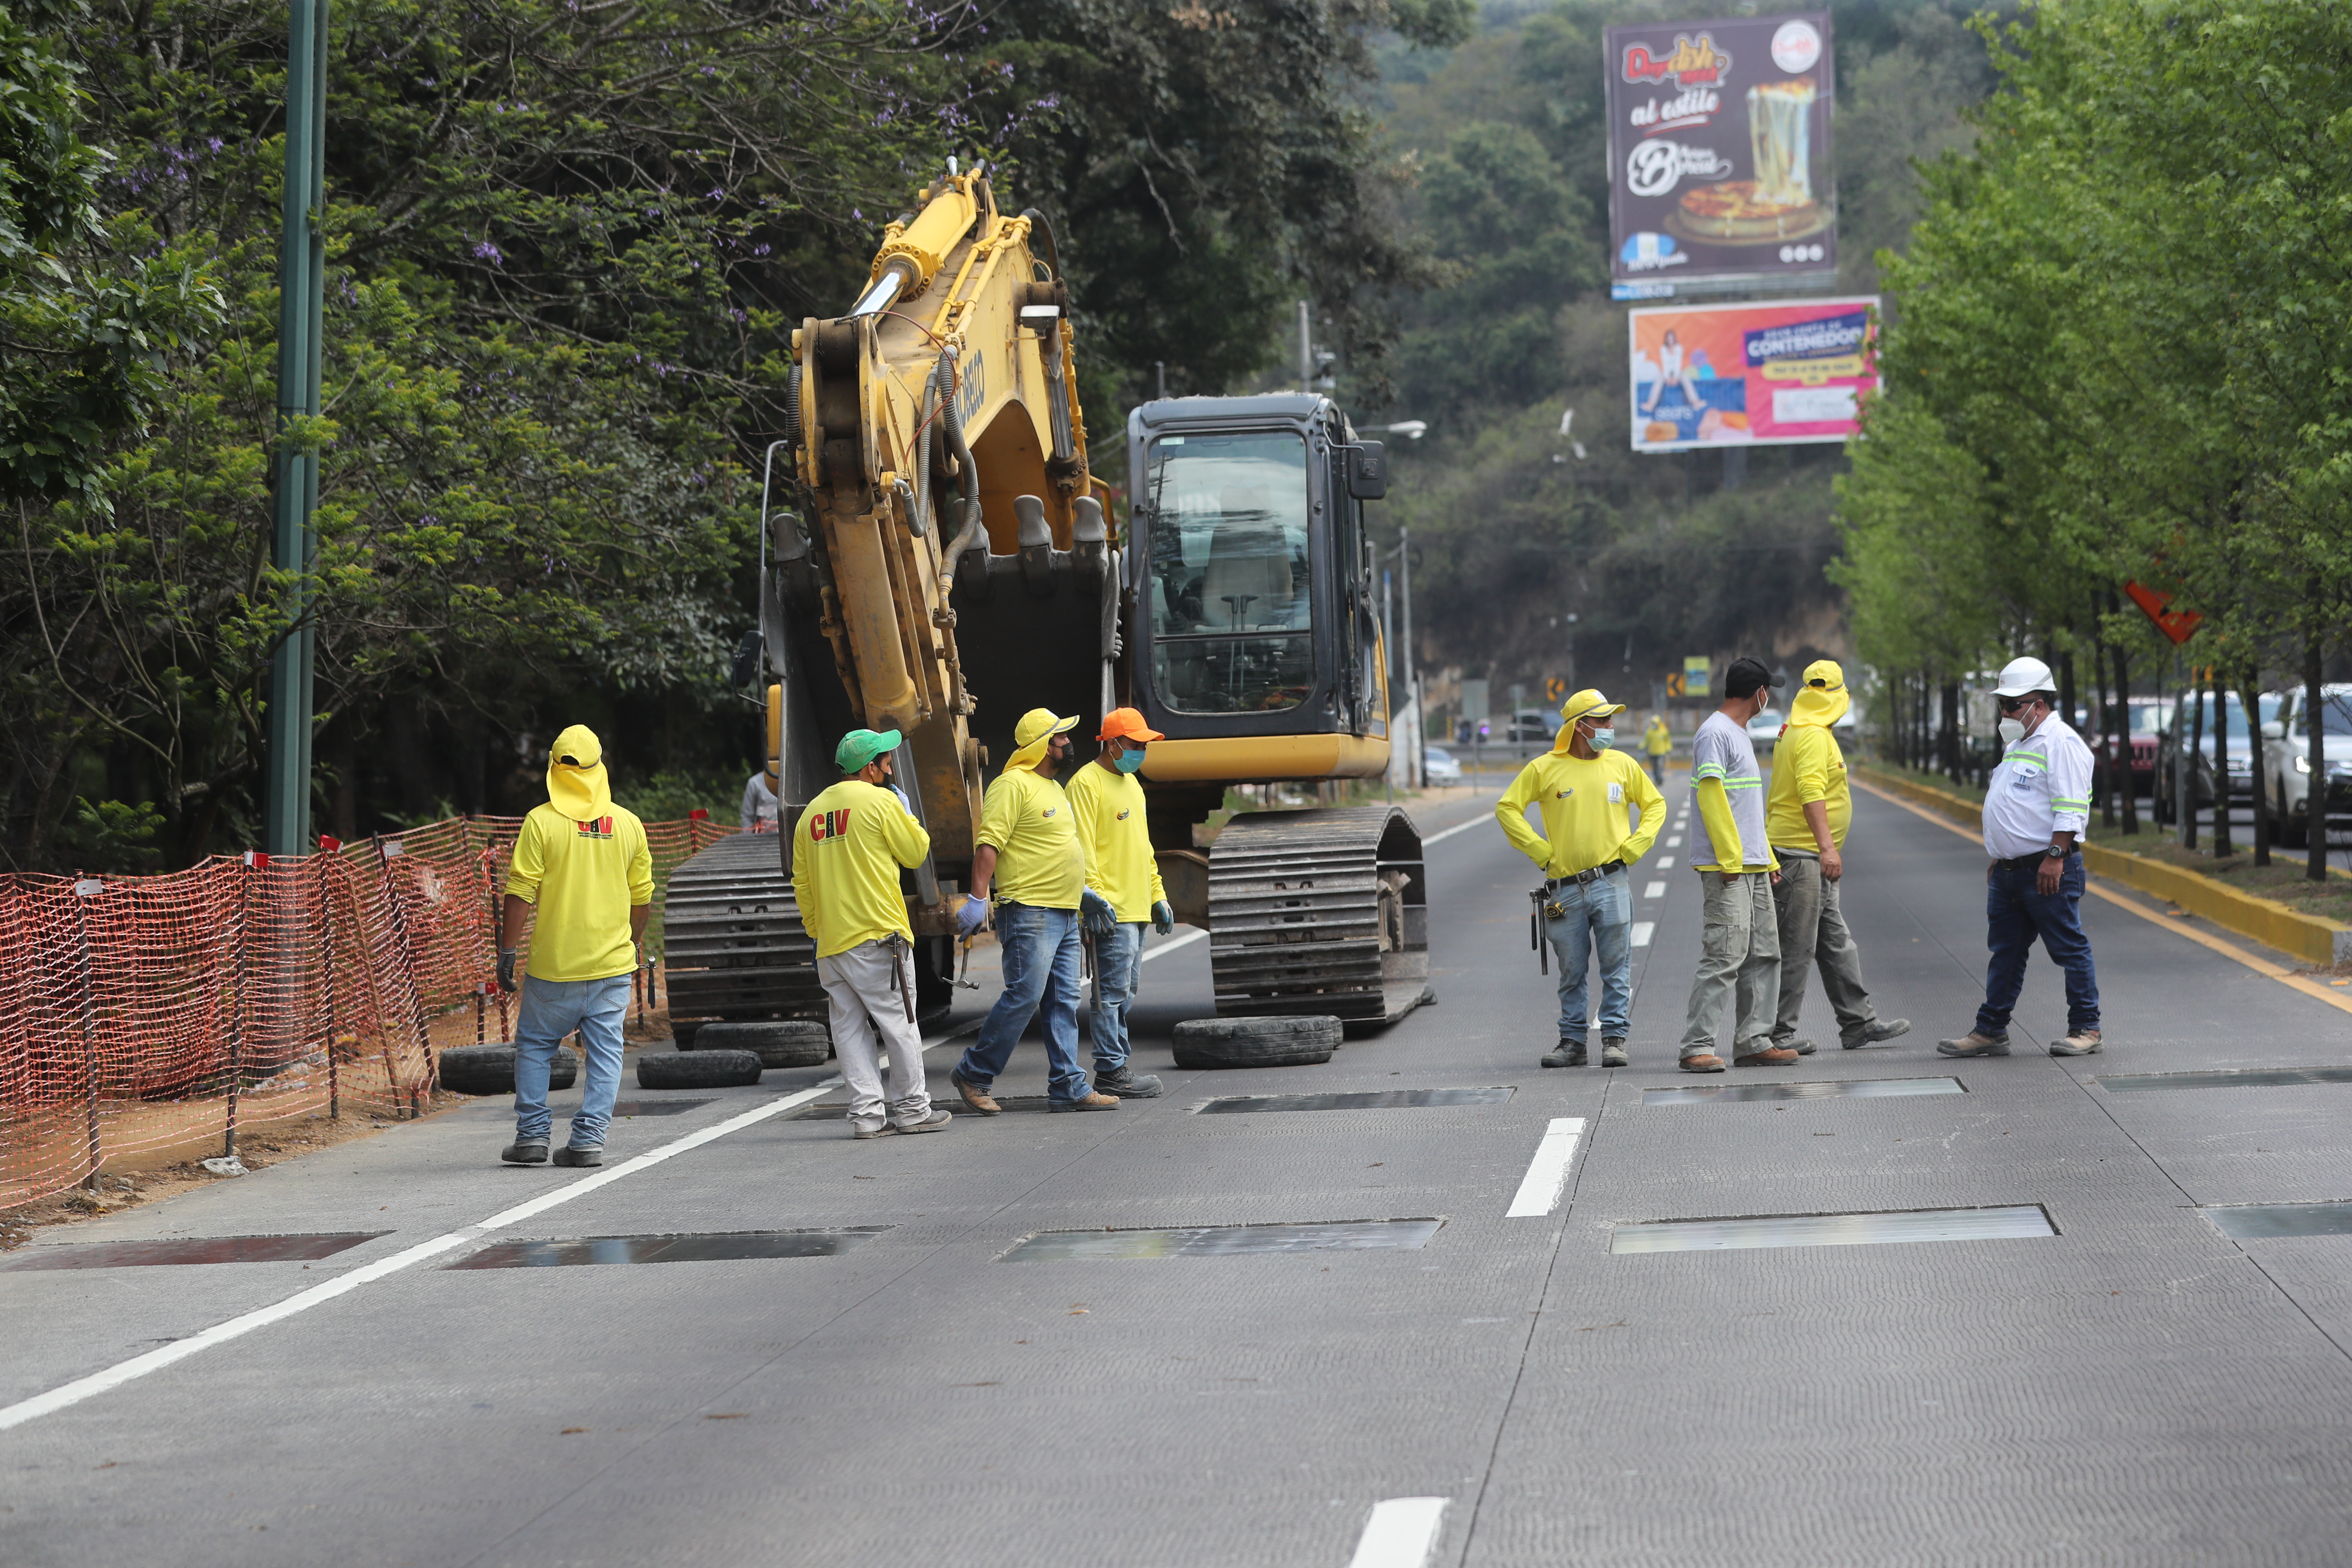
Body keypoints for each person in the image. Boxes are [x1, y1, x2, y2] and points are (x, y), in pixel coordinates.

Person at [948, 708, 1122, 1114]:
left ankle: (1068, 1085)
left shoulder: (1054, 789)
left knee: (1062, 1000)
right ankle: (974, 1073)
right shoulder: (1012, 785)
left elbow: (1053, 851)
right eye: (1061, 737)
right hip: (1029, 911)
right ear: (1044, 745)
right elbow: (988, 845)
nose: (1068, 743)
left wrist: (1081, 893)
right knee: (1025, 995)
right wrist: (978, 900)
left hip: (1063, 911)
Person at [496, 725, 652, 1167]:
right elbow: (642, 899)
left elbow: (520, 891)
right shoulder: (627, 824)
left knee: (534, 1047)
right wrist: (631, 949)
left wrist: (507, 953)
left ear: (554, 769)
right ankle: (588, 1141)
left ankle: (531, 1137)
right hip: (611, 968)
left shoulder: (541, 822)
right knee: (606, 1054)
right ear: (598, 768)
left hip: (554, 968)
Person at [1939, 656, 2103, 1058]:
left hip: (2046, 869)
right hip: (2010, 872)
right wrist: (2002, 854)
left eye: (2014, 704)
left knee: (2069, 947)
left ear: (2040, 704)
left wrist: (2054, 856)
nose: (2007, 712)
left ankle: (2086, 1027)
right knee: (2006, 952)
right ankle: (1991, 1031)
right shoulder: (2019, 744)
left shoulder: (2060, 742)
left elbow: (2070, 806)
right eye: (2003, 705)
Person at [791, 729, 952, 1139]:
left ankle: (866, 1116)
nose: (891, 766)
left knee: (848, 1030)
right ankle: (914, 1110)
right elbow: (916, 853)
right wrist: (907, 812)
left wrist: (818, 931)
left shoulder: (810, 814)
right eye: (886, 760)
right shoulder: (882, 802)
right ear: (870, 768)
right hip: (880, 937)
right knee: (898, 1023)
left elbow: (803, 883)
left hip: (832, 943)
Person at [1495, 689, 1666, 1069]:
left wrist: (1636, 846)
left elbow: (1655, 804)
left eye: (1610, 719)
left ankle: (1614, 1039)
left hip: (1612, 881)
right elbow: (1507, 808)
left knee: (1616, 966)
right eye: (1602, 720)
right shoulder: (1544, 768)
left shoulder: (1623, 765)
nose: (1610, 727)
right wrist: (1540, 851)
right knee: (1571, 971)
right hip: (1564, 889)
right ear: (1579, 726)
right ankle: (1573, 1042)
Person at [1764, 661, 1910, 1055]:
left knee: (1835, 942)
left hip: (1803, 853)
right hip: (1801, 856)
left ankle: (1858, 1023)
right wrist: (1828, 848)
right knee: (1797, 946)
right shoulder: (1811, 735)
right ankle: (1778, 1034)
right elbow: (1811, 791)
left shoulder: (1798, 728)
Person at [1679, 658, 1792, 1073]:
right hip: (1728, 867)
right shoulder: (1714, 734)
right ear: (1759, 693)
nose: (1769, 698)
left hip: (1754, 865)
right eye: (1769, 692)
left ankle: (1753, 1040)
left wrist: (1767, 858)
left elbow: (1745, 807)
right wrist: (1729, 858)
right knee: (1724, 955)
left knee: (1764, 953)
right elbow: (1712, 798)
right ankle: (1696, 1046)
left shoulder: (1739, 735)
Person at [1065, 707, 1178, 1099]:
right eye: (1135, 745)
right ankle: (1112, 1070)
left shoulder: (1133, 785)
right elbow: (1081, 847)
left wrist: (1158, 895)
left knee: (1124, 994)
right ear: (1112, 744)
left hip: (1137, 908)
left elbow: (1144, 848)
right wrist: (1092, 900)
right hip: (1110, 911)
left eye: (1144, 745)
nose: (1141, 751)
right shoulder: (1086, 784)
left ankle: (1116, 1065)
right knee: (1108, 995)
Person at [739, 766, 780, 832]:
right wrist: (747, 839)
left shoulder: (794, 782)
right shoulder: (755, 783)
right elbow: (747, 818)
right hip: (763, 839)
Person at [1642, 712, 1673, 787]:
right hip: (1652, 753)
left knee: (1660, 766)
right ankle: (1657, 780)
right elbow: (1646, 741)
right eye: (1653, 723)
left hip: (1661, 752)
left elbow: (1667, 741)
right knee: (1654, 768)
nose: (1654, 725)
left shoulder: (1664, 731)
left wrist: (1668, 748)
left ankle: (1660, 779)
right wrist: (1642, 746)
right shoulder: (1650, 732)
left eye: (1656, 723)